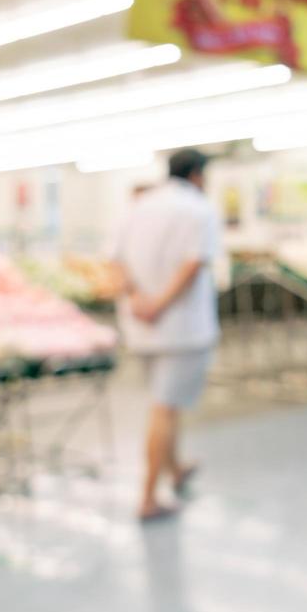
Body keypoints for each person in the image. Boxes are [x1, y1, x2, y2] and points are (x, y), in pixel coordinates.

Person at [111, 148, 220, 522]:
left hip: (139, 324)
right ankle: (148, 499)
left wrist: (139, 298)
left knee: (163, 404)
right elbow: (193, 265)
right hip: (181, 329)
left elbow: (115, 260)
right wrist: (161, 303)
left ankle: (175, 469)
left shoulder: (137, 207)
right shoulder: (199, 210)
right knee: (165, 409)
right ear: (197, 176)